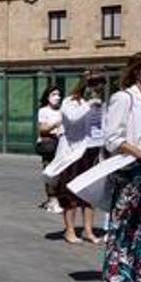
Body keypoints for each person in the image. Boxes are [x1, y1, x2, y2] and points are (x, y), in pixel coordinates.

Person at [44, 69, 106, 245]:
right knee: (70, 192)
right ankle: (70, 230)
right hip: (73, 154)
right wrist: (89, 104)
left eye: (100, 84)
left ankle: (88, 230)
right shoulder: (70, 102)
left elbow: (101, 125)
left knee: (90, 193)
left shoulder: (99, 103)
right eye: (94, 84)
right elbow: (72, 119)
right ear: (84, 84)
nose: (97, 88)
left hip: (93, 151)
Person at [102, 53, 141, 282]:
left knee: (140, 223)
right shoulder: (124, 98)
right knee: (123, 222)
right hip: (129, 170)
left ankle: (137, 270)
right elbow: (112, 138)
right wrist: (139, 152)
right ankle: (117, 273)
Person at [36, 86, 63, 213]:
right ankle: (52, 199)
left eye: (58, 94)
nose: (57, 97)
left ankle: (59, 197)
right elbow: (42, 129)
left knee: (61, 173)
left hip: (61, 144)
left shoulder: (62, 111)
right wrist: (56, 124)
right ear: (48, 97)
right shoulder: (43, 111)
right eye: (54, 94)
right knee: (50, 171)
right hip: (49, 144)